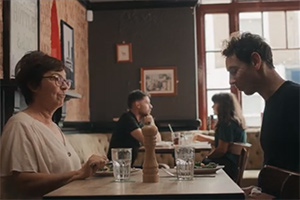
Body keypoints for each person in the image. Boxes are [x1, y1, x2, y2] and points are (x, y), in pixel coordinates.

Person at [0, 51, 108, 199]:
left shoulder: (53, 126)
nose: (64, 87)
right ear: (33, 85)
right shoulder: (20, 125)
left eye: (66, 81)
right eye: (56, 79)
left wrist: (89, 168)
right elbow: (22, 184)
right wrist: (78, 173)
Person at [222, 32, 300, 174]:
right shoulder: (272, 101)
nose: (231, 81)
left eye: (234, 71)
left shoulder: (295, 98)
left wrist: (274, 197)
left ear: (255, 61)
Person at [194, 92, 247, 180]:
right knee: (201, 164)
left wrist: (207, 157)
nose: (212, 106)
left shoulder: (226, 124)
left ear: (223, 106)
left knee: (200, 165)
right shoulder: (235, 122)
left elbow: (222, 150)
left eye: (215, 103)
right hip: (234, 165)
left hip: (227, 166)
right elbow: (224, 141)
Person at [107, 90, 161, 164]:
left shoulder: (139, 122)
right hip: (116, 166)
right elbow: (147, 141)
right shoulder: (127, 118)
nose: (151, 106)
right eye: (147, 103)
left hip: (127, 166)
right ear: (137, 104)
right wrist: (150, 125)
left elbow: (158, 142)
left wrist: (152, 123)